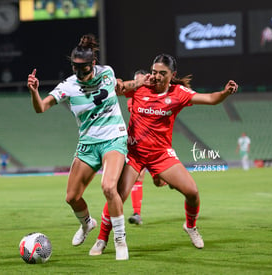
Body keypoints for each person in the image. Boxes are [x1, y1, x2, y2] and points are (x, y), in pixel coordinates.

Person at [89, 53, 238, 257]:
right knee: (117, 196)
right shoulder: (141, 87)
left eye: (162, 73)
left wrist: (225, 92)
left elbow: (211, 99)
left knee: (192, 192)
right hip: (134, 154)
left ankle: (190, 226)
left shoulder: (179, 93)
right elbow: (116, 88)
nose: (156, 76)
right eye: (153, 72)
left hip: (161, 155)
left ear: (172, 74)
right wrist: (136, 82)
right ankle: (101, 239)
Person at [27, 34, 129, 260]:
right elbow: (41, 108)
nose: (79, 72)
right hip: (88, 143)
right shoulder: (69, 86)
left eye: (83, 67)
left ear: (93, 64)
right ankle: (87, 224)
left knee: (109, 187)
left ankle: (120, 239)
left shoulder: (107, 73)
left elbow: (120, 87)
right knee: (71, 197)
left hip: (114, 138)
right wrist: (34, 91)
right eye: (75, 67)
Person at [127, 69, 167, 226]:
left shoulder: (153, 95)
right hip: (138, 144)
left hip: (156, 143)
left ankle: (169, 180)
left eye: (141, 80)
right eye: (136, 80)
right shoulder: (133, 94)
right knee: (138, 177)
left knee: (158, 182)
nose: (138, 83)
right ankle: (137, 213)